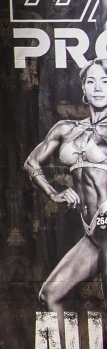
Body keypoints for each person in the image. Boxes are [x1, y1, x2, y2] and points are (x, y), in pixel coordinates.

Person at [26, 58, 107, 314]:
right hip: (92, 234)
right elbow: (31, 163)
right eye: (91, 81)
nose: (98, 88)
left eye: (105, 81)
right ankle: (67, 345)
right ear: (83, 88)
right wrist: (54, 193)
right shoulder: (66, 128)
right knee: (50, 295)